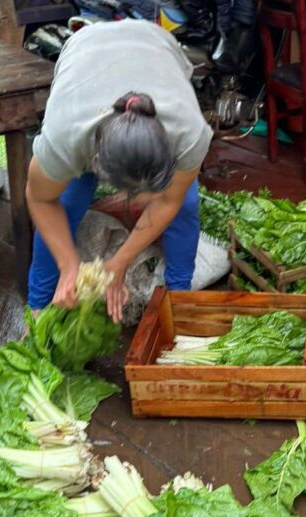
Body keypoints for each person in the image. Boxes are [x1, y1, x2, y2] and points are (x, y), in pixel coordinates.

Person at [26, 19, 213, 323]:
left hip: (155, 45)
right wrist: (69, 262)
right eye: (136, 198)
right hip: (86, 52)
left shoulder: (190, 133)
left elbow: (169, 201)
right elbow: (39, 199)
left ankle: (179, 297)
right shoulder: (64, 138)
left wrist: (121, 261)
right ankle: (38, 308)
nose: (139, 207)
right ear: (96, 163)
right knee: (66, 203)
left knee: (186, 204)